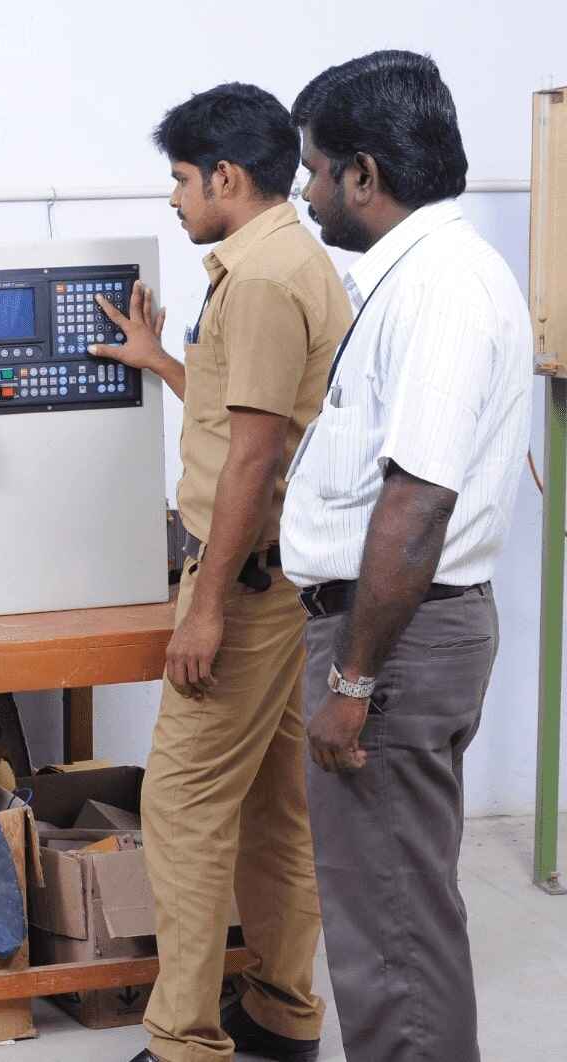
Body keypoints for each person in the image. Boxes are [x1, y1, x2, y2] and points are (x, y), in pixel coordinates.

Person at [92, 83, 352, 1062]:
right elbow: (250, 412)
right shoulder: (288, 261)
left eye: (180, 179)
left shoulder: (262, 281)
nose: (173, 198)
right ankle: (283, 1015)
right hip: (286, 580)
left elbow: (252, 459)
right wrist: (163, 362)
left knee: (183, 805)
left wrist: (202, 610)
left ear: (226, 177)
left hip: (242, 588)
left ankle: (183, 1042)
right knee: (276, 806)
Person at [282, 50, 531, 1061]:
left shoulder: (438, 287)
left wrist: (353, 682)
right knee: (390, 919)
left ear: (363, 174)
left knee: (392, 936)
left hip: (392, 643)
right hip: (394, 634)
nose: (304, 192)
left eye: (312, 169)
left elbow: (417, 502)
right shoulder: (413, 278)